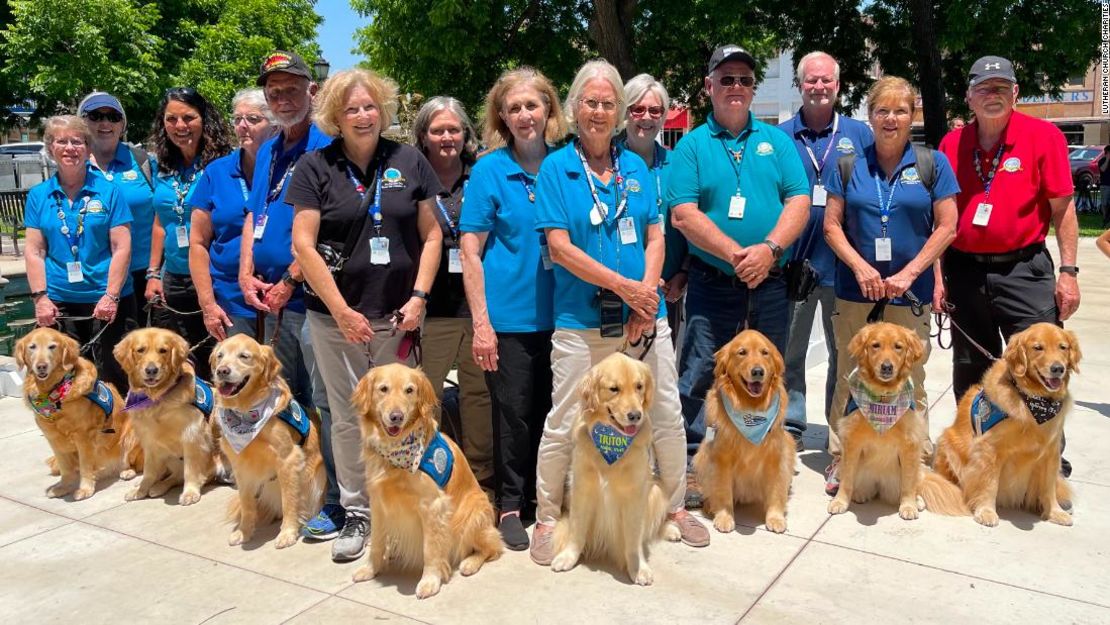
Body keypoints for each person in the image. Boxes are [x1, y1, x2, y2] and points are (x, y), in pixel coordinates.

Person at [529, 60, 709, 567]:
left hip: (643, 323)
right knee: (565, 421)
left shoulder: (637, 168)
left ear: (620, 113)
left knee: (667, 414)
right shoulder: (556, 169)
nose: (600, 112)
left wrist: (645, 298)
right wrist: (624, 289)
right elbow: (560, 248)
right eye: (591, 102)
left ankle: (672, 508)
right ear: (574, 109)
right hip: (581, 324)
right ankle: (546, 517)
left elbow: (657, 235)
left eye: (609, 104)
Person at [288, 68, 443, 562]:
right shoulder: (315, 166)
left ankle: (403, 501)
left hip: (399, 317)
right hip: (336, 321)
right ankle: (358, 510)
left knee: (405, 414)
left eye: (370, 106)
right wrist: (341, 311)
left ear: (384, 110)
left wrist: (419, 296)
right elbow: (303, 245)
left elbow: (434, 235)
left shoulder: (409, 160)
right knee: (351, 417)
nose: (362, 115)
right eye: (351, 108)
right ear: (335, 114)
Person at [937, 56, 1081, 477]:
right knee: (971, 367)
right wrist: (938, 279)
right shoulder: (951, 144)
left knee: (1042, 364)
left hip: (1025, 269)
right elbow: (940, 218)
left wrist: (1068, 273)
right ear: (969, 96)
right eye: (984, 88)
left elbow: (1063, 210)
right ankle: (976, 447)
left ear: (1016, 93)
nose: (993, 95)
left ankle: (1047, 456)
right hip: (964, 269)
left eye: (1002, 87)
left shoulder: (1044, 136)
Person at [668, 45, 810, 459]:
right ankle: (693, 459)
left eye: (745, 80)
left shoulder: (776, 141)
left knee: (767, 371)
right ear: (709, 86)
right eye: (727, 79)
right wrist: (736, 255)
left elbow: (799, 200)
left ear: (753, 89)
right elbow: (683, 214)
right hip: (712, 282)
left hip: (770, 281)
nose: (736, 87)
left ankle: (764, 456)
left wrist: (769, 249)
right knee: (696, 374)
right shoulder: (691, 146)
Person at [822, 76, 959, 495]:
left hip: (908, 293)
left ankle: (913, 458)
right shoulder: (847, 163)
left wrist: (911, 273)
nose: (891, 118)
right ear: (870, 116)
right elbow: (831, 225)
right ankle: (842, 457)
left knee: (910, 377)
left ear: (912, 116)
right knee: (850, 374)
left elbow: (948, 226)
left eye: (900, 110)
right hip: (854, 290)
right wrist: (861, 268)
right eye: (882, 110)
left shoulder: (932, 163)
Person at [237, 52, 341, 542]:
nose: (282, 98)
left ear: (311, 92)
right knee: (284, 402)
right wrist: (244, 272)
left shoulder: (328, 147)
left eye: (291, 89)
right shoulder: (269, 148)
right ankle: (295, 494)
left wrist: (291, 281)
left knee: (323, 401)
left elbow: (329, 232)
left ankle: (339, 501)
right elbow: (251, 217)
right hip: (269, 301)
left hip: (310, 303)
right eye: (274, 91)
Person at [459, 67, 564, 550]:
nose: (525, 115)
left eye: (532, 106)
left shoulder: (568, 165)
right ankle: (509, 505)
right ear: (501, 117)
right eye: (514, 108)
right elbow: (470, 250)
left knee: (553, 415)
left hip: (565, 314)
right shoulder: (488, 170)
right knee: (513, 417)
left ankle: (548, 503)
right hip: (510, 319)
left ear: (549, 110)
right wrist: (482, 323)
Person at [777, 52, 874, 449]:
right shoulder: (780, 136)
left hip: (843, 266)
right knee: (790, 352)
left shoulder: (860, 134)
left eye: (826, 81)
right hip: (795, 266)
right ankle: (791, 426)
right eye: (811, 81)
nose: (818, 87)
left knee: (843, 355)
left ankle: (840, 427)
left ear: (838, 84)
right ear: (799, 85)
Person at [411, 96, 494, 497]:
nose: (447, 137)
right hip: (433, 309)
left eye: (454, 130)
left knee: (478, 395)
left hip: (476, 308)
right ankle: (426, 472)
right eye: (437, 130)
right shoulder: (410, 177)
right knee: (426, 395)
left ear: (466, 134)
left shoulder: (482, 174)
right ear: (423, 136)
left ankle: (480, 478)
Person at [23, 115, 135, 392]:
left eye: (77, 141)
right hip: (60, 303)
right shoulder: (39, 195)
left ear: (88, 148)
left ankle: (117, 433)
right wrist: (40, 298)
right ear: (51, 148)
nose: (70, 148)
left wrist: (110, 295)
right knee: (67, 380)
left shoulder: (109, 192)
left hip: (108, 301)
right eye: (62, 141)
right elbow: (34, 250)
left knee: (115, 378)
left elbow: (122, 247)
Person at [147, 88, 232, 380]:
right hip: (174, 278)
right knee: (185, 360)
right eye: (171, 119)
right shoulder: (164, 166)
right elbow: (160, 223)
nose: (180, 126)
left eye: (188, 117)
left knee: (219, 357)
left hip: (212, 277)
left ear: (204, 120)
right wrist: (153, 273)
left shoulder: (221, 166)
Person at [189, 88, 276, 345]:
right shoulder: (217, 172)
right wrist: (208, 305)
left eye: (253, 119)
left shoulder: (294, 169)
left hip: (284, 300)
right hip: (231, 301)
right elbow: (198, 243)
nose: (242, 126)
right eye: (237, 119)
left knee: (286, 382)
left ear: (275, 124)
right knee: (237, 379)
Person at [619, 74, 687, 341]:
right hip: (624, 289)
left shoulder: (679, 164)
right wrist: (645, 282)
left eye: (655, 110)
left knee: (662, 375)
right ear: (625, 113)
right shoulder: (608, 165)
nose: (646, 117)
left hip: (670, 289)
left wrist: (683, 273)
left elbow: (692, 223)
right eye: (638, 109)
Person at [78, 92, 155, 323]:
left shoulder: (142, 161)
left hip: (143, 274)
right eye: (95, 116)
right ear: (82, 122)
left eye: (113, 117)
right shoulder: (73, 163)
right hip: (94, 277)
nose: (105, 123)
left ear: (122, 125)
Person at [1097, 145, 1110, 227]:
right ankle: (1105, 218)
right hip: (1105, 185)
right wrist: (1108, 159)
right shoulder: (1101, 161)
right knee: (1104, 203)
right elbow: (1103, 169)